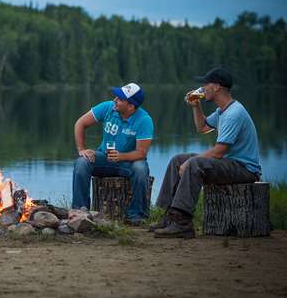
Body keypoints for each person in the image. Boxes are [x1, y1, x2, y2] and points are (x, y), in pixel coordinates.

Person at [151, 67, 261, 238]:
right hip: (230, 163)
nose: (202, 88)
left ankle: (182, 223)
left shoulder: (234, 113)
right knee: (177, 159)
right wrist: (196, 106)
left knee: (194, 163)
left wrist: (190, 163)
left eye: (205, 84)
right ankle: (168, 217)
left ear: (217, 87)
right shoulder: (223, 111)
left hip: (245, 169)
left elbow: (218, 152)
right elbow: (202, 128)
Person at [72, 83, 154, 224]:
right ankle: (80, 212)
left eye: (120, 99)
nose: (115, 100)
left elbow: (141, 153)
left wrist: (121, 156)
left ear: (130, 106)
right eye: (116, 96)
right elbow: (80, 123)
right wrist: (82, 149)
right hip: (105, 158)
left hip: (129, 162)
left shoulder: (144, 120)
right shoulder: (108, 107)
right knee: (82, 163)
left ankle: (136, 216)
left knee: (141, 169)